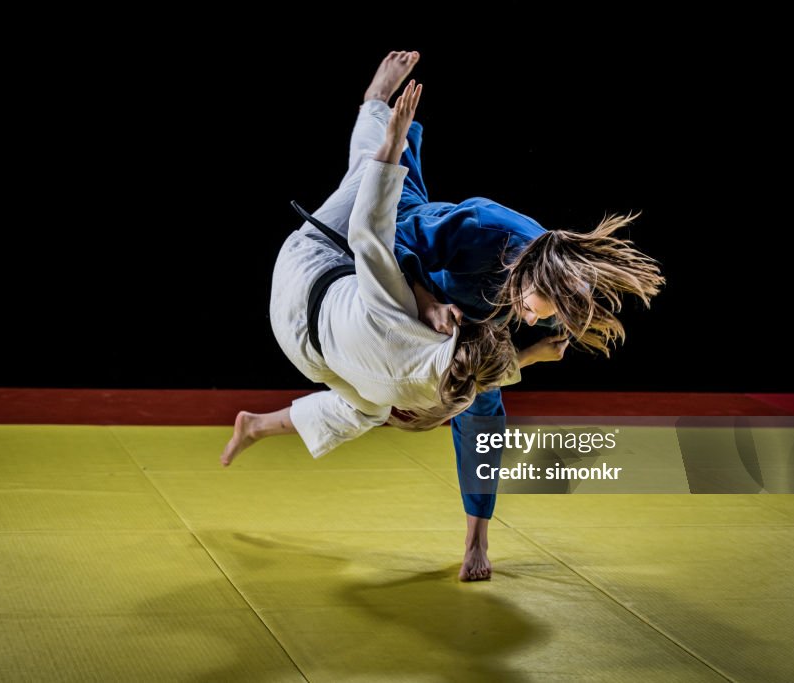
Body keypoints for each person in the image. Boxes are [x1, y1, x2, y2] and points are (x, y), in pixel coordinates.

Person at [392, 107, 666, 580]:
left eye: (547, 315)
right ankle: (394, 127)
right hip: (416, 250)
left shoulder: (554, 278)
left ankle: (476, 538)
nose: (537, 318)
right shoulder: (480, 228)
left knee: (483, 413)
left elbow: (494, 359)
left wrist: (535, 350)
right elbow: (393, 242)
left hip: (475, 311)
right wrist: (426, 303)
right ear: (527, 273)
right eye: (538, 308)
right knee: (388, 162)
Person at [221, 53, 518, 475]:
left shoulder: (396, 316)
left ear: (448, 327)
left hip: (304, 272)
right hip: (302, 351)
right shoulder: (435, 394)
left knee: (369, 175)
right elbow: (486, 374)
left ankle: (374, 98)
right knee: (367, 409)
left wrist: (393, 144)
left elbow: (368, 232)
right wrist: (539, 353)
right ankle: (257, 426)